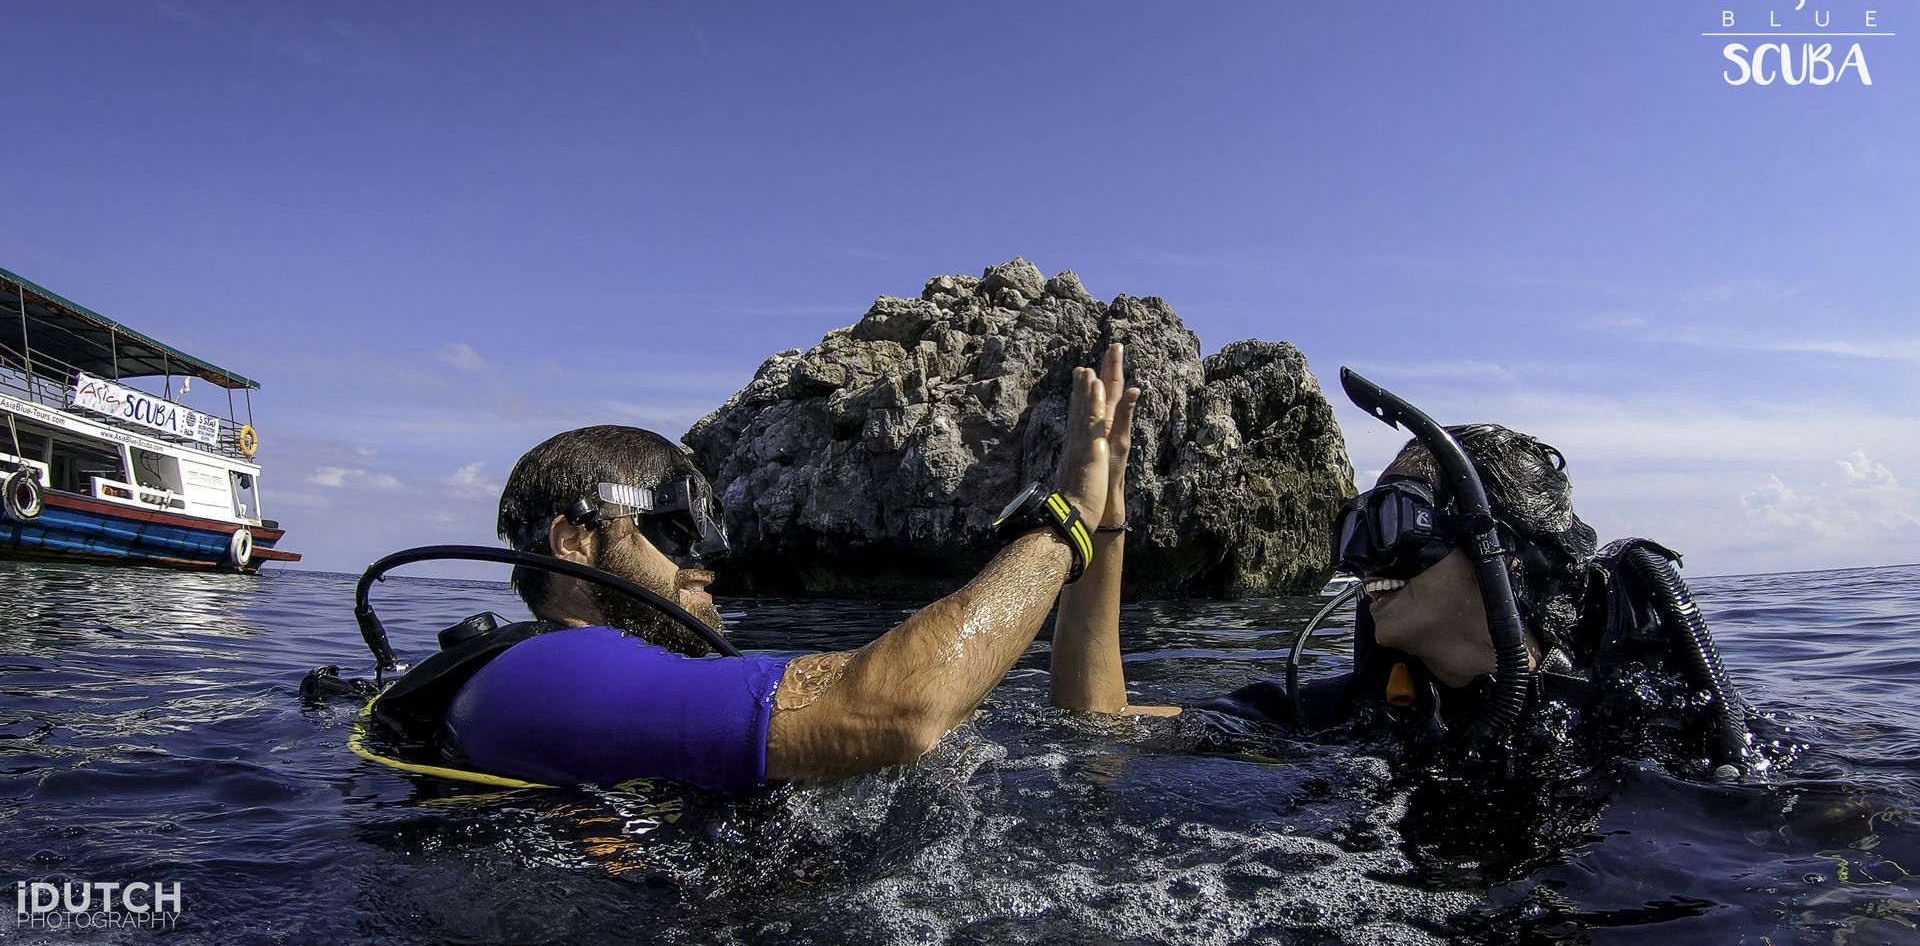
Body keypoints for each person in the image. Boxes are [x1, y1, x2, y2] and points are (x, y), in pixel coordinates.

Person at [373, 349, 1128, 795]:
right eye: (675, 526)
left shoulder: (609, 679)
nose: (705, 558)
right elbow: (901, 711)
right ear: (574, 541)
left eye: (710, 529)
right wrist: (1066, 522)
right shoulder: (553, 670)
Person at [1051, 366, 1759, 785]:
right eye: (1354, 526)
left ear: (1498, 549)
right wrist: (1100, 521)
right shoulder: (1362, 712)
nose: (1362, 558)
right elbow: (1098, 723)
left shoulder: (1644, 707)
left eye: (1393, 519)